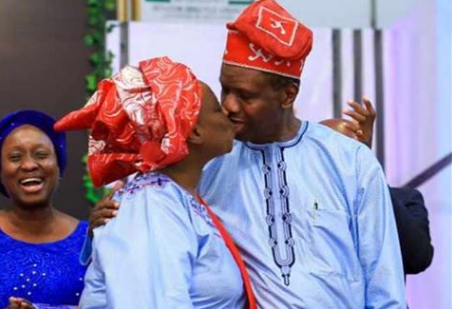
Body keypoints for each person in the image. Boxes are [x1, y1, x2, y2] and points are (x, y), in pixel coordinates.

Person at [197, 0, 406, 308]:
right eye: (225, 89)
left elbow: (383, 277)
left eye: (246, 96)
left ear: (287, 95)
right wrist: (117, 208)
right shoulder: (210, 164)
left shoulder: (349, 161)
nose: (228, 104)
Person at [54, 57, 256, 308]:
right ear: (194, 132)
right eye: (216, 108)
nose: (227, 110)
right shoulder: (151, 206)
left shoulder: (176, 197)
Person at [321, 99, 434, 276]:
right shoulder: (302, 204)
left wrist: (368, 172)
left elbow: (418, 259)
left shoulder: (405, 199)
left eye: (350, 152)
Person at [0, 110, 87, 309]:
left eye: (41, 155)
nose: (29, 164)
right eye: (15, 157)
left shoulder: (90, 240)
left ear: (59, 167)